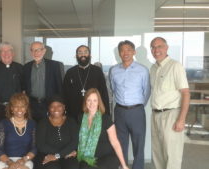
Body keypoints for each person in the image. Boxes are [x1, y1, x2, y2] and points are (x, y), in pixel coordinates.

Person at [109, 40, 150, 169]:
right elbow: (113, 89)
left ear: (134, 52)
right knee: (121, 143)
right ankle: (123, 166)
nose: (125, 52)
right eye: (122, 50)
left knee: (138, 143)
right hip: (120, 111)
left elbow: (147, 91)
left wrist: (137, 106)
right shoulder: (114, 70)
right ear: (119, 53)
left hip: (136, 111)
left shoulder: (142, 70)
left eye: (128, 50)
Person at [150, 37, 190, 169]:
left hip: (171, 115)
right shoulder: (153, 68)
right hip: (155, 115)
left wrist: (181, 119)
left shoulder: (175, 66)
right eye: (153, 47)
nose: (156, 50)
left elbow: (185, 93)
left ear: (166, 48)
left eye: (159, 46)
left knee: (172, 155)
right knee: (158, 154)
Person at [77, 88, 129, 169]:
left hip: (107, 157)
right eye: (89, 100)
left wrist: (124, 165)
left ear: (98, 102)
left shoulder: (106, 119)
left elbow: (115, 142)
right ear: (85, 102)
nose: (91, 103)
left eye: (95, 100)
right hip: (87, 157)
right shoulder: (80, 118)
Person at [63, 45, 109, 123]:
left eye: (85, 52)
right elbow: (65, 94)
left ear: (90, 55)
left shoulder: (97, 71)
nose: (83, 55)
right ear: (76, 56)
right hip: (74, 114)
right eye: (80, 52)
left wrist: (106, 115)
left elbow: (104, 93)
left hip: (94, 112)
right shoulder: (70, 72)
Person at [23, 41, 63, 122]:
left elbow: (60, 88)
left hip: (49, 104)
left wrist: (59, 106)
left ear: (44, 51)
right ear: (31, 52)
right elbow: (24, 87)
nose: (36, 53)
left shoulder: (54, 66)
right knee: (33, 129)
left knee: (48, 129)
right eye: (33, 50)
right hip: (32, 105)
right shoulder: (26, 67)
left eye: (38, 50)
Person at [35, 95, 79, 169]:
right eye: (52, 106)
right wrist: (61, 154)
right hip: (48, 155)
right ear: (48, 108)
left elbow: (75, 142)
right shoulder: (42, 123)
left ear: (64, 107)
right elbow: (41, 145)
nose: (56, 109)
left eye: (59, 106)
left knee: (73, 166)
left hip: (68, 156)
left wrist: (59, 155)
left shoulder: (71, 121)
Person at [0, 93, 36, 169]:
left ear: (26, 108)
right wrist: (9, 162)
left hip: (24, 160)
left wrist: (23, 160)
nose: (19, 109)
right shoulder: (3, 123)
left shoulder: (32, 124)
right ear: (11, 108)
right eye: (16, 106)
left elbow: (34, 148)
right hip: (4, 160)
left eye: (22, 106)